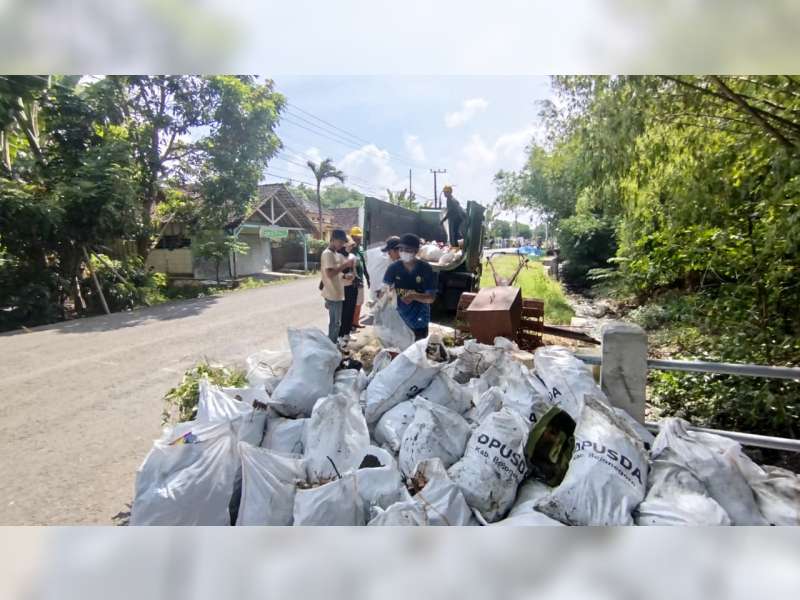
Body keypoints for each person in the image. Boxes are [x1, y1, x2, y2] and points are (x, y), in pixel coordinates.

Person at [382, 233, 438, 340]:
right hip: (399, 319)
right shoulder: (394, 268)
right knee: (400, 351)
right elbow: (385, 288)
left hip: (419, 319)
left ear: (416, 251)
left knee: (417, 351)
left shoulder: (425, 269)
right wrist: (382, 296)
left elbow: (431, 298)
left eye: (408, 250)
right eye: (401, 249)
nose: (403, 252)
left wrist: (414, 296)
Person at [320, 229, 354, 344]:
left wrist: (344, 277)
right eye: (340, 242)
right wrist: (345, 265)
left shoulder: (334, 253)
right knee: (336, 323)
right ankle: (332, 344)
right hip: (332, 293)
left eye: (343, 242)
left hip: (336, 292)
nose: (342, 245)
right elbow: (329, 274)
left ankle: (332, 344)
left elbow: (336, 273)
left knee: (335, 322)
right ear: (333, 240)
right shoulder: (327, 254)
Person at [349, 226, 371, 331]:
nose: (358, 240)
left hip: (360, 282)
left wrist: (367, 278)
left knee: (359, 303)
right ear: (351, 237)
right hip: (352, 282)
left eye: (359, 238)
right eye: (356, 238)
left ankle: (356, 322)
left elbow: (364, 266)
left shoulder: (360, 250)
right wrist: (354, 279)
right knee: (353, 304)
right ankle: (350, 324)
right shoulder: (349, 251)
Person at [339, 237, 358, 339]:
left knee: (351, 310)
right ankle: (340, 335)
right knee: (343, 313)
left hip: (352, 286)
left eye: (352, 245)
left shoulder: (352, 256)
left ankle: (347, 333)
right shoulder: (337, 256)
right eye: (350, 245)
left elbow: (354, 270)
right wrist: (344, 276)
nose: (351, 247)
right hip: (342, 287)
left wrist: (355, 278)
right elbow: (334, 272)